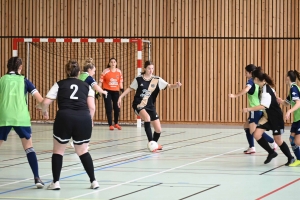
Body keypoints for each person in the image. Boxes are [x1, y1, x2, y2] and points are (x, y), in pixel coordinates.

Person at [39, 59, 99, 190]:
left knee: (58, 151)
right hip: (83, 118)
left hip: (64, 118)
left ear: (66, 71)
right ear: (79, 72)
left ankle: (55, 182)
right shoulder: (86, 86)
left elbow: (45, 102)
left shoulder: (59, 84)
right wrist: (90, 120)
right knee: (83, 151)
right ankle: (94, 181)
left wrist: (44, 111)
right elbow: (92, 108)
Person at [117, 61, 182, 152]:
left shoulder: (157, 80)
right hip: (139, 104)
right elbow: (130, 88)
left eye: (152, 68)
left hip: (150, 106)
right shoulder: (139, 79)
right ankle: (151, 142)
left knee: (158, 130)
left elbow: (169, 86)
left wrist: (176, 85)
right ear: (145, 69)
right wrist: (120, 97)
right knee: (147, 118)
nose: (151, 70)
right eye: (149, 68)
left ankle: (154, 144)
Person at [0, 57, 44, 188]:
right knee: (29, 148)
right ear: (20, 67)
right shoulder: (24, 80)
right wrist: (42, 108)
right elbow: (40, 99)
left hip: (4, 116)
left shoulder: (2, 80)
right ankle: (37, 178)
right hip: (21, 117)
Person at [242, 67, 294, 165]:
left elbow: (263, 105)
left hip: (275, 117)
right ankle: (271, 152)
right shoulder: (263, 88)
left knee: (278, 140)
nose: (252, 80)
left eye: (253, 78)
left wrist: (248, 109)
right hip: (267, 116)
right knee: (256, 134)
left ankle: (290, 158)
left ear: (256, 79)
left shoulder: (266, 90)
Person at [229, 64, 277, 154]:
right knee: (246, 127)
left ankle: (272, 142)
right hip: (259, 109)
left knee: (255, 131)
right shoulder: (260, 80)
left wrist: (235, 95)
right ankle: (251, 147)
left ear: (251, 73)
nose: (245, 74)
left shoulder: (251, 81)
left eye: (246, 73)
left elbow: (246, 89)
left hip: (255, 109)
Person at [68, 58, 108, 148]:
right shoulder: (89, 78)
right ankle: (82, 143)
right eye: (94, 71)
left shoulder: (80, 76)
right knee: (89, 123)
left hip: (77, 102)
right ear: (89, 70)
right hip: (85, 103)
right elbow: (96, 87)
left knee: (80, 123)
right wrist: (103, 92)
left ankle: (76, 141)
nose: (94, 73)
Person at [277, 70, 300, 166]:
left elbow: (298, 103)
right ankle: (299, 159)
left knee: (297, 141)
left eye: (285, 76)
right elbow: (287, 103)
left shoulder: (294, 88)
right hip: (297, 119)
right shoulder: (292, 88)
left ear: (288, 78)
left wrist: (290, 111)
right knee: (291, 140)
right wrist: (279, 100)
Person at [99, 58, 124, 130]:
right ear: (109, 63)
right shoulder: (105, 71)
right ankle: (110, 124)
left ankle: (116, 123)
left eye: (114, 62)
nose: (113, 63)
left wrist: (122, 90)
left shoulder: (119, 72)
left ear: (116, 63)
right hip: (107, 91)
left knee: (117, 108)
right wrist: (98, 91)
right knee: (109, 108)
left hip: (116, 91)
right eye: (111, 62)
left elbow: (120, 82)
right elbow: (101, 82)